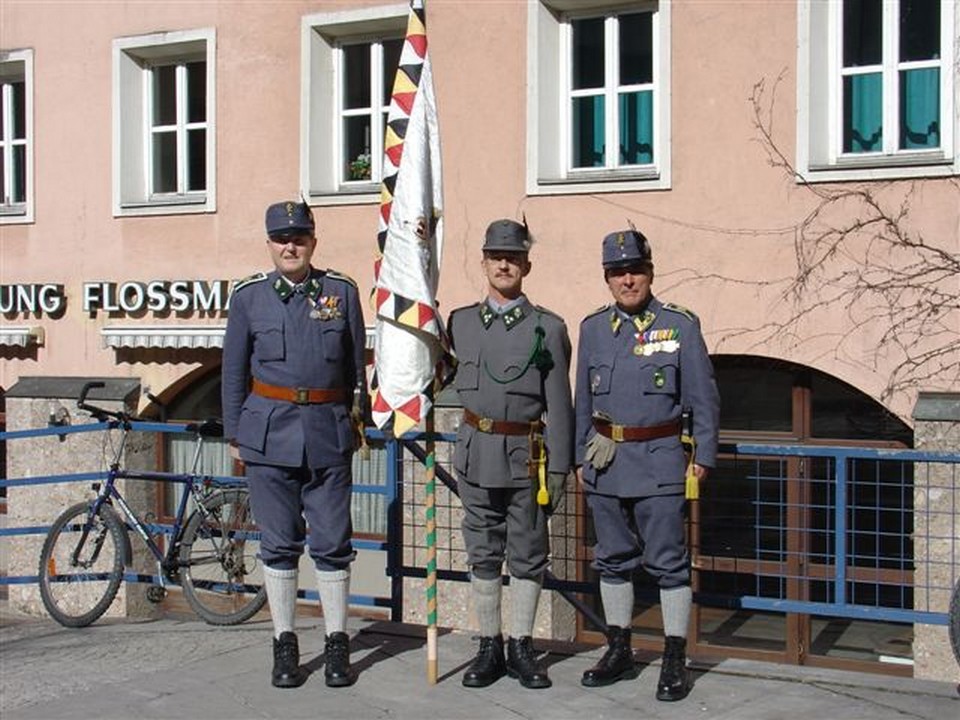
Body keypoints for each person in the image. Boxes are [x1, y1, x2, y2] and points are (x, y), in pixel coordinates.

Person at [221, 200, 367, 690]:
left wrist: (356, 422)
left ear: (312, 243)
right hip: (267, 435)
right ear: (269, 244)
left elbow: (355, 367)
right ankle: (285, 642)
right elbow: (234, 372)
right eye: (282, 239)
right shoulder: (248, 297)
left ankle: (337, 643)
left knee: (332, 543)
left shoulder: (341, 292)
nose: (291, 246)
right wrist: (236, 433)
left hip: (327, 431)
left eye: (299, 238)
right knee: (278, 543)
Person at [574, 228, 720, 701]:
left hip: (660, 462)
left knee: (667, 563)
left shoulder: (679, 325)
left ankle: (675, 656)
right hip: (606, 462)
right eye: (618, 273)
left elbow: (703, 397)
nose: (627, 280)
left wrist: (703, 456)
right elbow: (582, 403)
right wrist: (580, 457)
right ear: (606, 279)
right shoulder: (593, 328)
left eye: (635, 270)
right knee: (612, 559)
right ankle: (619, 648)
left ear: (650, 272)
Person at [447, 218, 574, 690]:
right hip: (475, 455)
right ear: (483, 263)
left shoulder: (547, 327)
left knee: (527, 554)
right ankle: (489, 646)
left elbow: (560, 405)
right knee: (482, 554)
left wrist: (560, 467)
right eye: (497, 257)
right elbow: (435, 376)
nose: (505, 264)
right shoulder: (459, 323)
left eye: (514, 258)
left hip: (528, 458)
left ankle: (521, 646)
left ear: (527, 266)